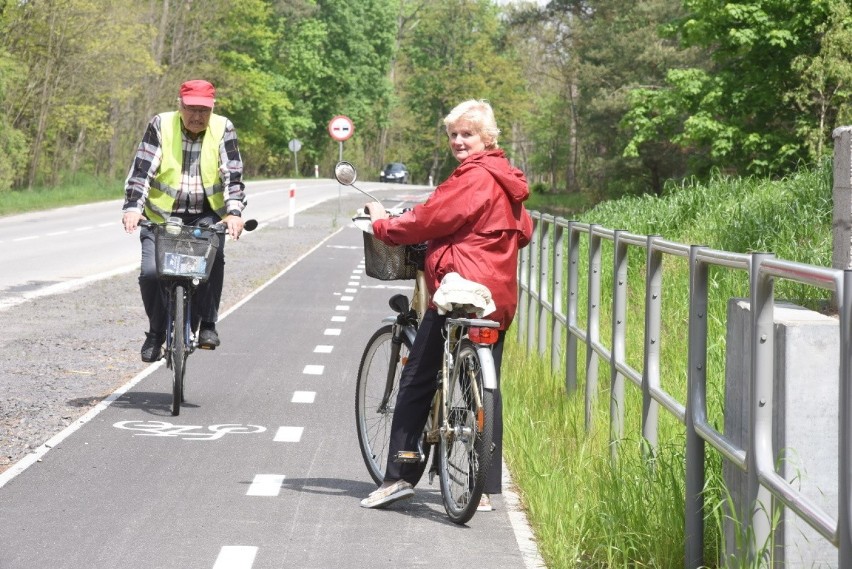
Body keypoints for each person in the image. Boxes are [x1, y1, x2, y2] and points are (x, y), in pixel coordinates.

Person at [360, 99, 533, 511]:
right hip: (498, 295)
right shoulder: (507, 178)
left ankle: (399, 476)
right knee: (481, 390)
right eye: (453, 134)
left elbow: (428, 220)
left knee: (418, 377)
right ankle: (483, 487)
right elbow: (523, 231)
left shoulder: (474, 177)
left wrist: (384, 223)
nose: (458, 141)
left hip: (459, 291)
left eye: (467, 134)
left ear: (487, 137)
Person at [122, 79, 246, 362]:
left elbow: (233, 175)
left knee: (212, 263)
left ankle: (208, 325)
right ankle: (156, 332)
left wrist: (234, 212)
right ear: (180, 105)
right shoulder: (161, 125)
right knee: (151, 274)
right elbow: (142, 171)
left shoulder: (223, 128)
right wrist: (132, 207)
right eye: (191, 109)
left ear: (212, 109)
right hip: (160, 216)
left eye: (204, 110)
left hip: (207, 214)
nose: (197, 116)